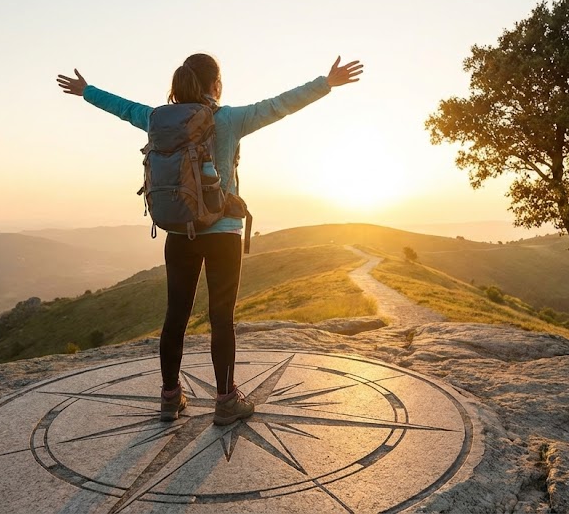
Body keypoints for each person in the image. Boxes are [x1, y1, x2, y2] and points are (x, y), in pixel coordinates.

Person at [56, 54, 362, 425]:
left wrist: (87, 91)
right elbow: (280, 105)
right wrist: (325, 83)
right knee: (221, 319)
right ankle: (226, 400)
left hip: (179, 231)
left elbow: (124, 108)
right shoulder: (230, 119)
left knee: (175, 317)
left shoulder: (159, 119)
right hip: (223, 234)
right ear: (216, 85)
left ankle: (170, 398)